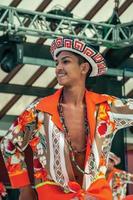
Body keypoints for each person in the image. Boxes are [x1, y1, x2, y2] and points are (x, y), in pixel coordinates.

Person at [1, 36, 133, 200]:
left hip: (96, 195)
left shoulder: (106, 107)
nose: (58, 68)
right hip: (54, 195)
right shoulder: (40, 112)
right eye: (57, 63)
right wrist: (24, 188)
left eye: (65, 62)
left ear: (83, 68)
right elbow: (9, 144)